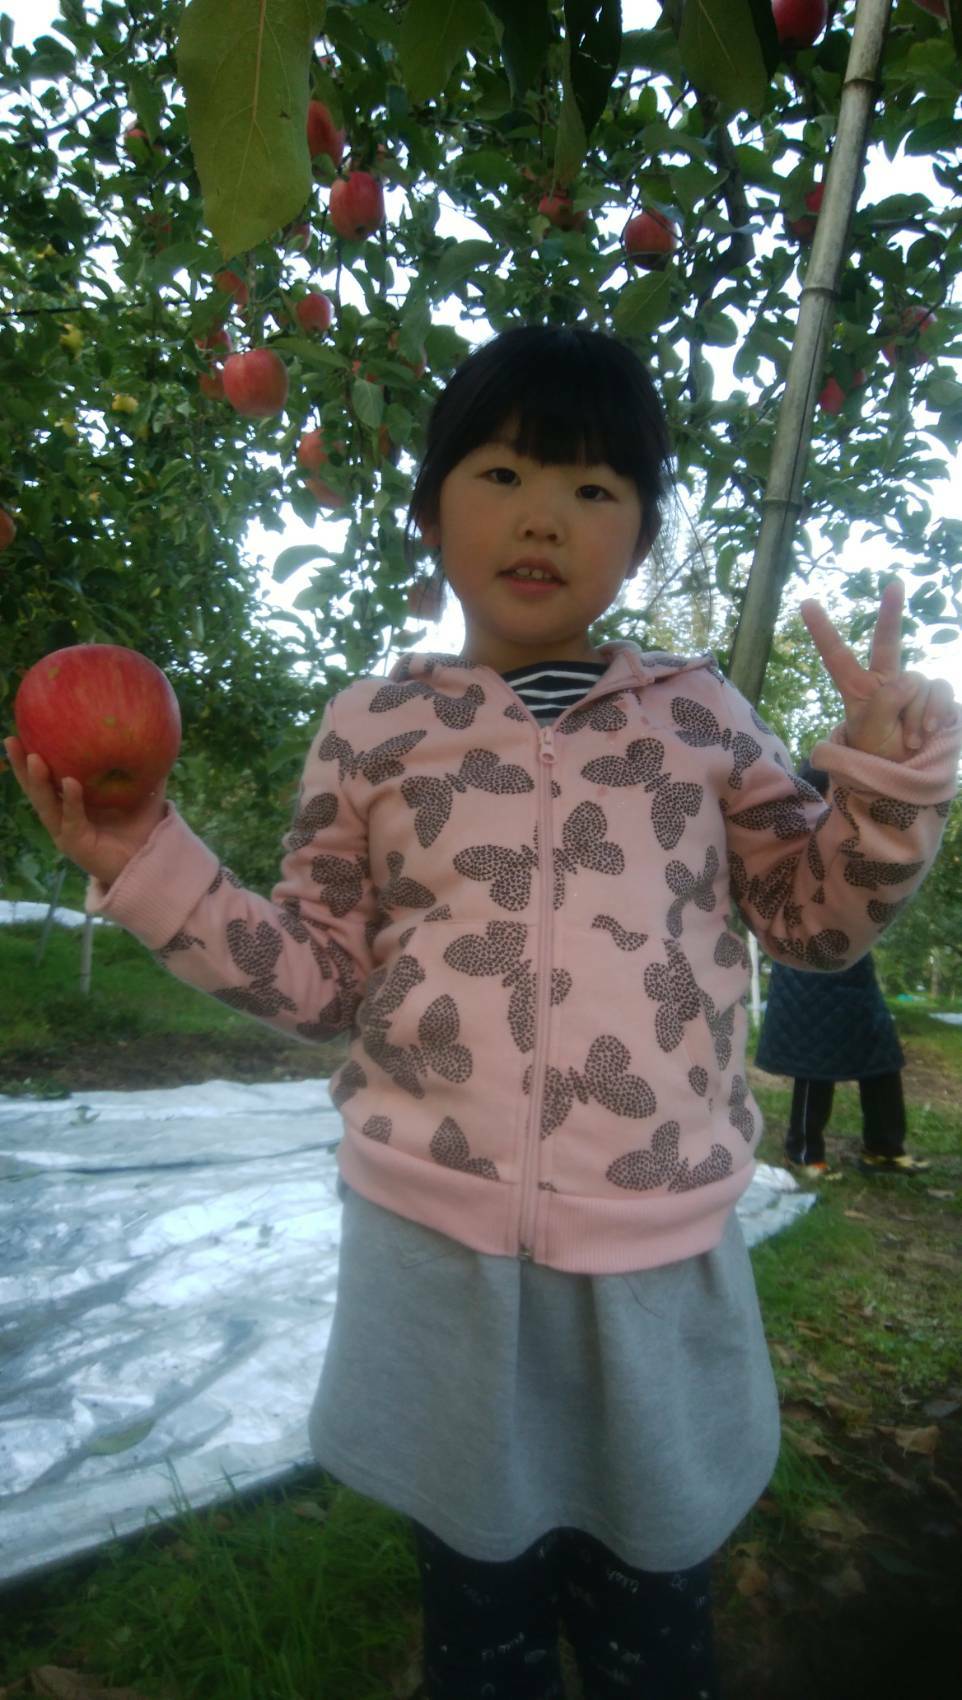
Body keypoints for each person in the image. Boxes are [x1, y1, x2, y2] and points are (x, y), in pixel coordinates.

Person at [5, 323, 960, 1700]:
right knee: (480, 1613)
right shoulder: (374, 730)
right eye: (505, 470)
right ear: (433, 503)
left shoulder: (698, 720)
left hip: (649, 1252)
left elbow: (813, 923)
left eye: (593, 489)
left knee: (652, 1615)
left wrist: (881, 790)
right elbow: (322, 976)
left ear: (637, 535)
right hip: (436, 1254)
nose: (542, 517)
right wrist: (150, 860)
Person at [755, 761, 930, 1181]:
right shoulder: (797, 825)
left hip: (850, 957)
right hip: (806, 956)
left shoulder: (853, 824)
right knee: (815, 1057)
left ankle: (884, 1147)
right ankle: (803, 1152)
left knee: (881, 1054)